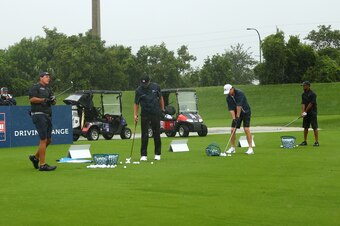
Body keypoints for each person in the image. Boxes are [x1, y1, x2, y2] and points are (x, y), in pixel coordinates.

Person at [28, 72, 57, 171]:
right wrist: (44, 100)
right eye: (46, 77)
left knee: (49, 140)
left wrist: (52, 100)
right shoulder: (35, 87)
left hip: (48, 115)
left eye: (49, 77)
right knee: (43, 139)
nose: (48, 78)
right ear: (41, 78)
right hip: (38, 114)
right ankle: (43, 165)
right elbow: (32, 99)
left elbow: (53, 102)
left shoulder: (49, 89)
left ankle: (35, 158)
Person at [134, 75, 165, 161]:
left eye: (146, 83)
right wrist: (135, 114)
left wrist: (162, 109)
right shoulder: (139, 90)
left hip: (155, 113)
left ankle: (157, 154)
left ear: (149, 81)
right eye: (143, 83)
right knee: (144, 134)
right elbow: (136, 103)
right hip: (145, 114)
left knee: (156, 133)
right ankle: (144, 155)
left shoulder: (156, 87)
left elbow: (161, 98)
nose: (145, 85)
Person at [223, 84, 254, 155]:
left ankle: (250, 148)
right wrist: (234, 119)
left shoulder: (240, 93)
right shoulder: (228, 97)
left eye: (229, 91)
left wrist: (237, 117)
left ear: (232, 89)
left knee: (246, 129)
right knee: (232, 130)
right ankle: (232, 148)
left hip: (246, 112)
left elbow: (239, 106)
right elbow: (231, 109)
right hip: (237, 113)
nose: (228, 93)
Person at [299, 81, 319, 146]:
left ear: (308, 86)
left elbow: (311, 104)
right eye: (303, 86)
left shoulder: (313, 94)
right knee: (305, 127)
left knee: (314, 127)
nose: (303, 87)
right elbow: (303, 104)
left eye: (304, 85)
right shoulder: (303, 94)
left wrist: (305, 111)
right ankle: (305, 141)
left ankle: (316, 142)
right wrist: (302, 112)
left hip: (312, 112)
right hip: (306, 113)